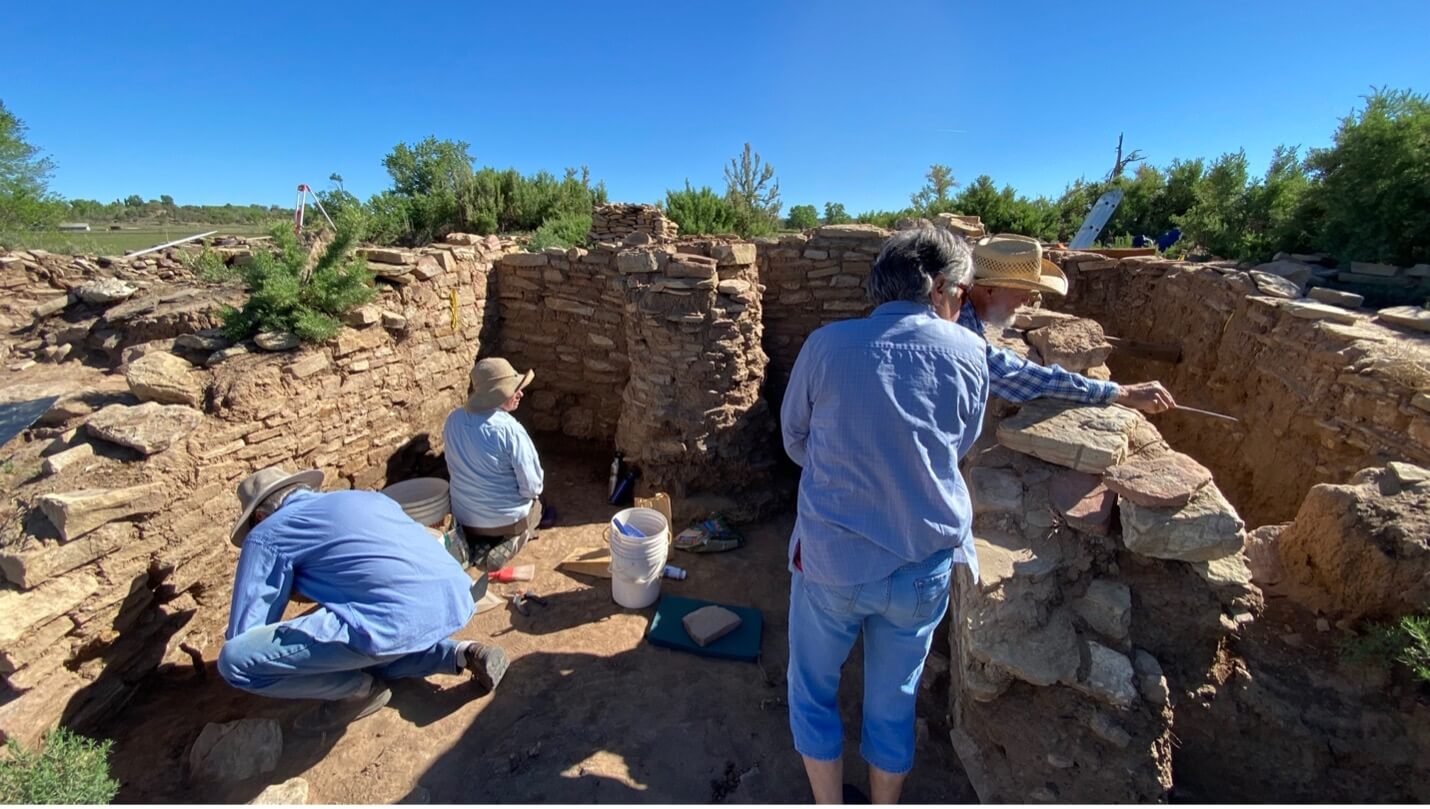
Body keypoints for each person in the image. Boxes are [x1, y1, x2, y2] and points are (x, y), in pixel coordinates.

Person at [781, 227, 989, 804]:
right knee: (894, 700)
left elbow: (793, 437)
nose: (962, 304)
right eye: (963, 294)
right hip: (921, 566)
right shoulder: (970, 352)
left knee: (812, 691)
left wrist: (837, 469)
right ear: (940, 286)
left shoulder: (826, 346)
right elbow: (962, 441)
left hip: (832, 560)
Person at [217, 467, 507, 735]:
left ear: (259, 517)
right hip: (456, 598)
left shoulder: (267, 534)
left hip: (395, 620)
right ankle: (460, 653)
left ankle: (356, 692)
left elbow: (245, 633)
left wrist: (285, 589)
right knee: (361, 634)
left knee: (235, 662)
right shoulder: (367, 499)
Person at [958, 233, 1176, 413]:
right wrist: (1123, 393)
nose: (1028, 300)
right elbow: (1021, 378)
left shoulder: (962, 307)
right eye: (1022, 293)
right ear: (989, 290)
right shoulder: (958, 327)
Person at [444, 357, 548, 572]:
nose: (520, 393)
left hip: (464, 516)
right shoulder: (510, 430)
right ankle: (514, 539)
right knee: (538, 506)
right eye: (514, 390)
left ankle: (472, 542)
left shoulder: (453, 419)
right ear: (497, 395)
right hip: (504, 521)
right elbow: (533, 486)